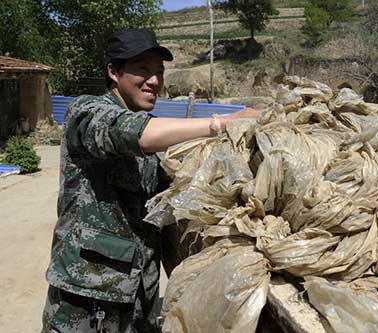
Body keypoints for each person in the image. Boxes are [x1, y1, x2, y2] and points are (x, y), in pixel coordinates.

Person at [42, 28, 260, 332]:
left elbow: (170, 208)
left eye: (159, 72)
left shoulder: (155, 135)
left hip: (138, 299)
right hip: (88, 300)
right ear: (114, 72)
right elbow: (134, 133)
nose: (154, 81)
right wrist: (223, 123)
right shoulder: (87, 110)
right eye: (142, 69)